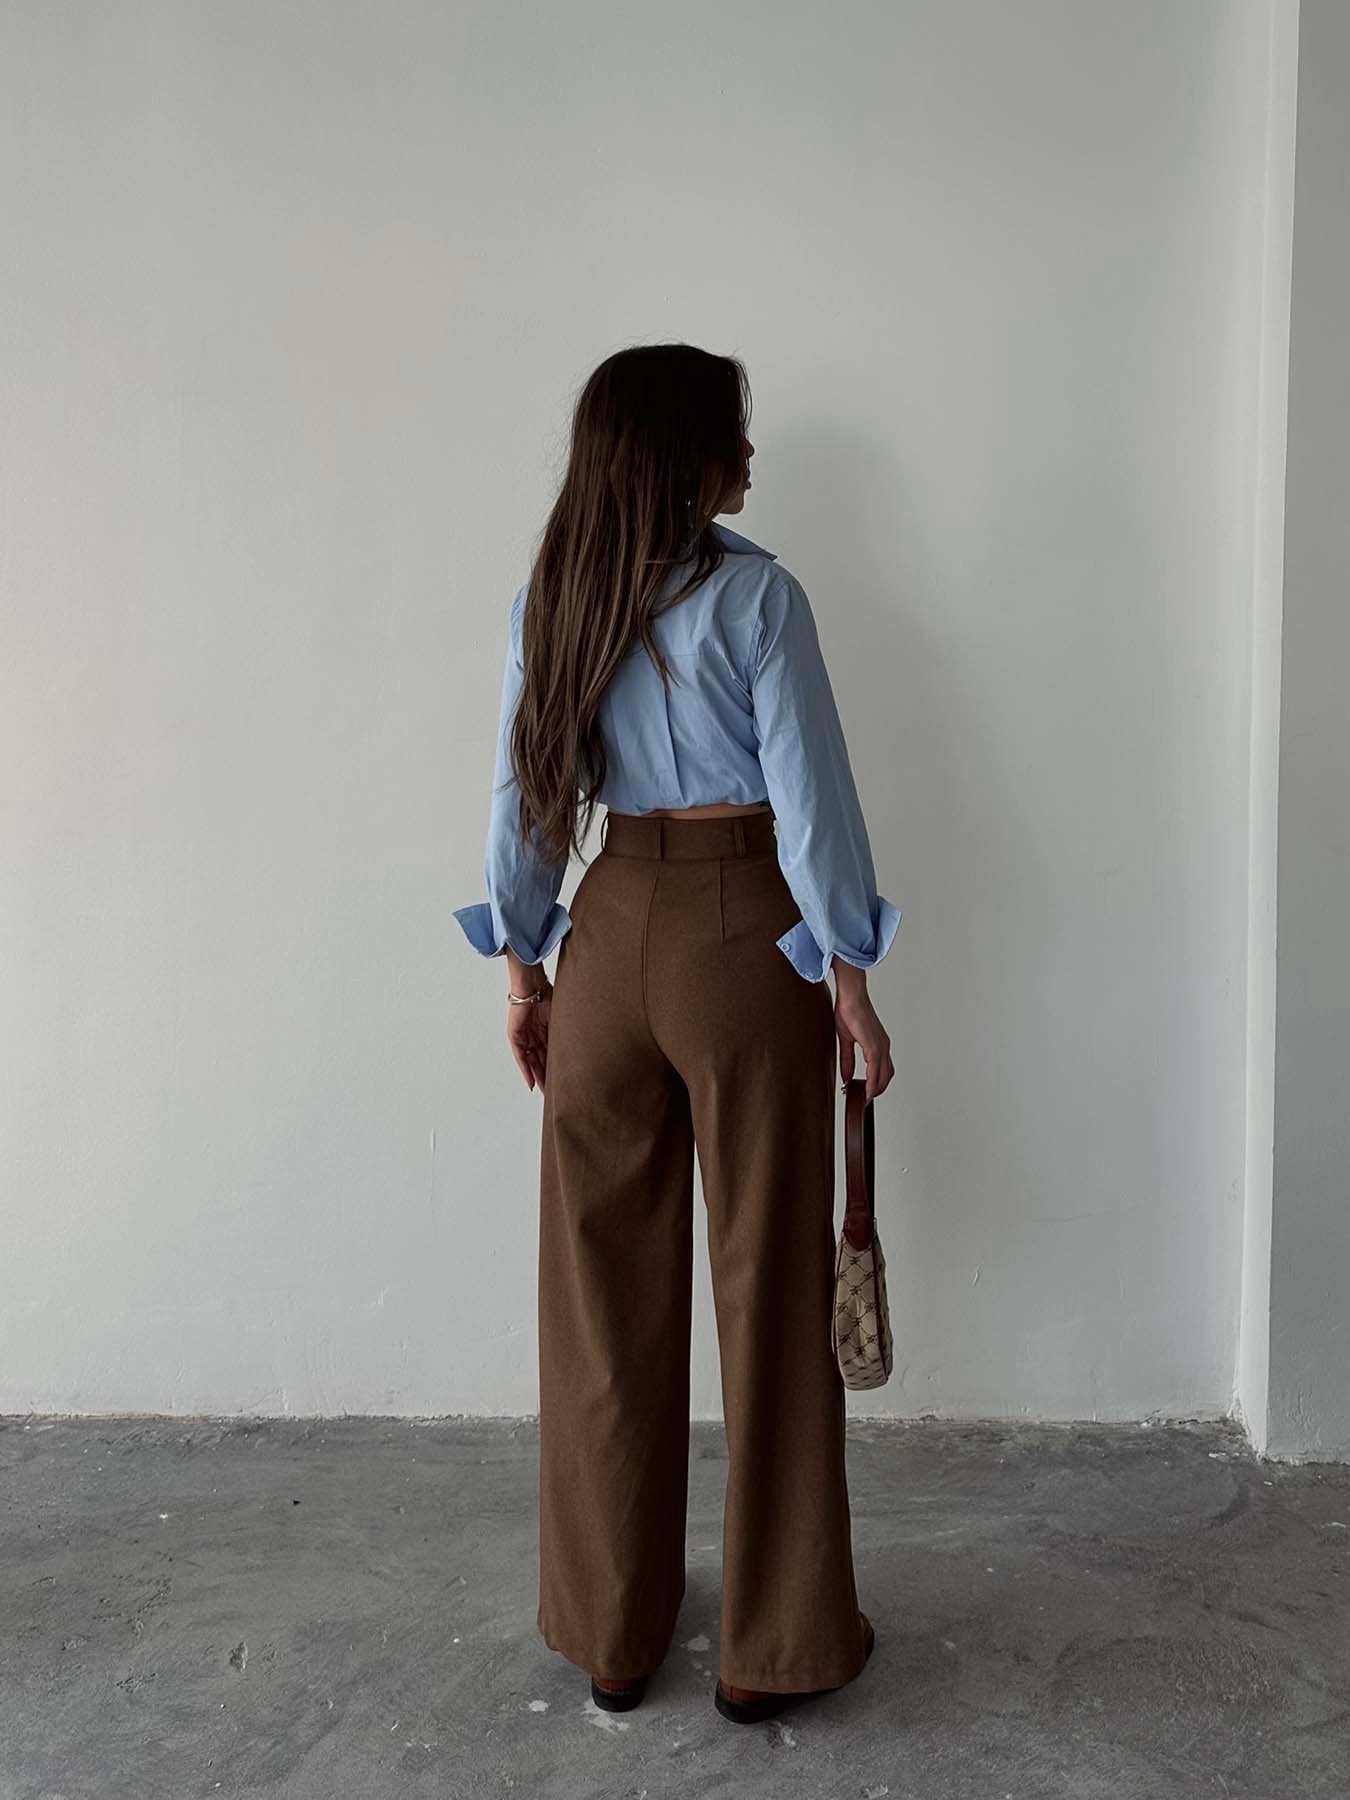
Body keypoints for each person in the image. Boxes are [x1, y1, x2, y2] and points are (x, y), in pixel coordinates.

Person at [455, 342, 899, 1725]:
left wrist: (525, 969)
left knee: (600, 1300)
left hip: (604, 932)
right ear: (682, 459)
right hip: (742, 930)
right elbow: (812, 806)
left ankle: (613, 1633)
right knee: (768, 1287)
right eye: (732, 439)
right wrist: (849, 978)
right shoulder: (759, 600)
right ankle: (775, 1645)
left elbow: (526, 796)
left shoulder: (555, 595)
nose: (750, 461)